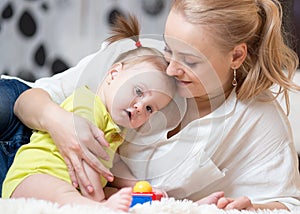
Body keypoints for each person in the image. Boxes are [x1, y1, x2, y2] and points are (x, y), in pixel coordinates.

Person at [1, 0, 300, 211]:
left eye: (190, 60)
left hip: (63, 184)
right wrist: (60, 122)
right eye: (170, 49)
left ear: (236, 56)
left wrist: (252, 206)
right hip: (24, 134)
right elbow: (26, 98)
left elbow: (287, 204)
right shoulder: (143, 60)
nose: (171, 69)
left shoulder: (257, 120)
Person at [1, 15, 177, 212]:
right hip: (35, 176)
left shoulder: (116, 129)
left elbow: (114, 164)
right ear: (113, 74)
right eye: (138, 92)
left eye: (149, 108)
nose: (139, 107)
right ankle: (97, 206)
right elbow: (88, 159)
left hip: (68, 183)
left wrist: (140, 186)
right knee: (66, 194)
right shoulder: (88, 104)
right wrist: (98, 201)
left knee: (120, 197)